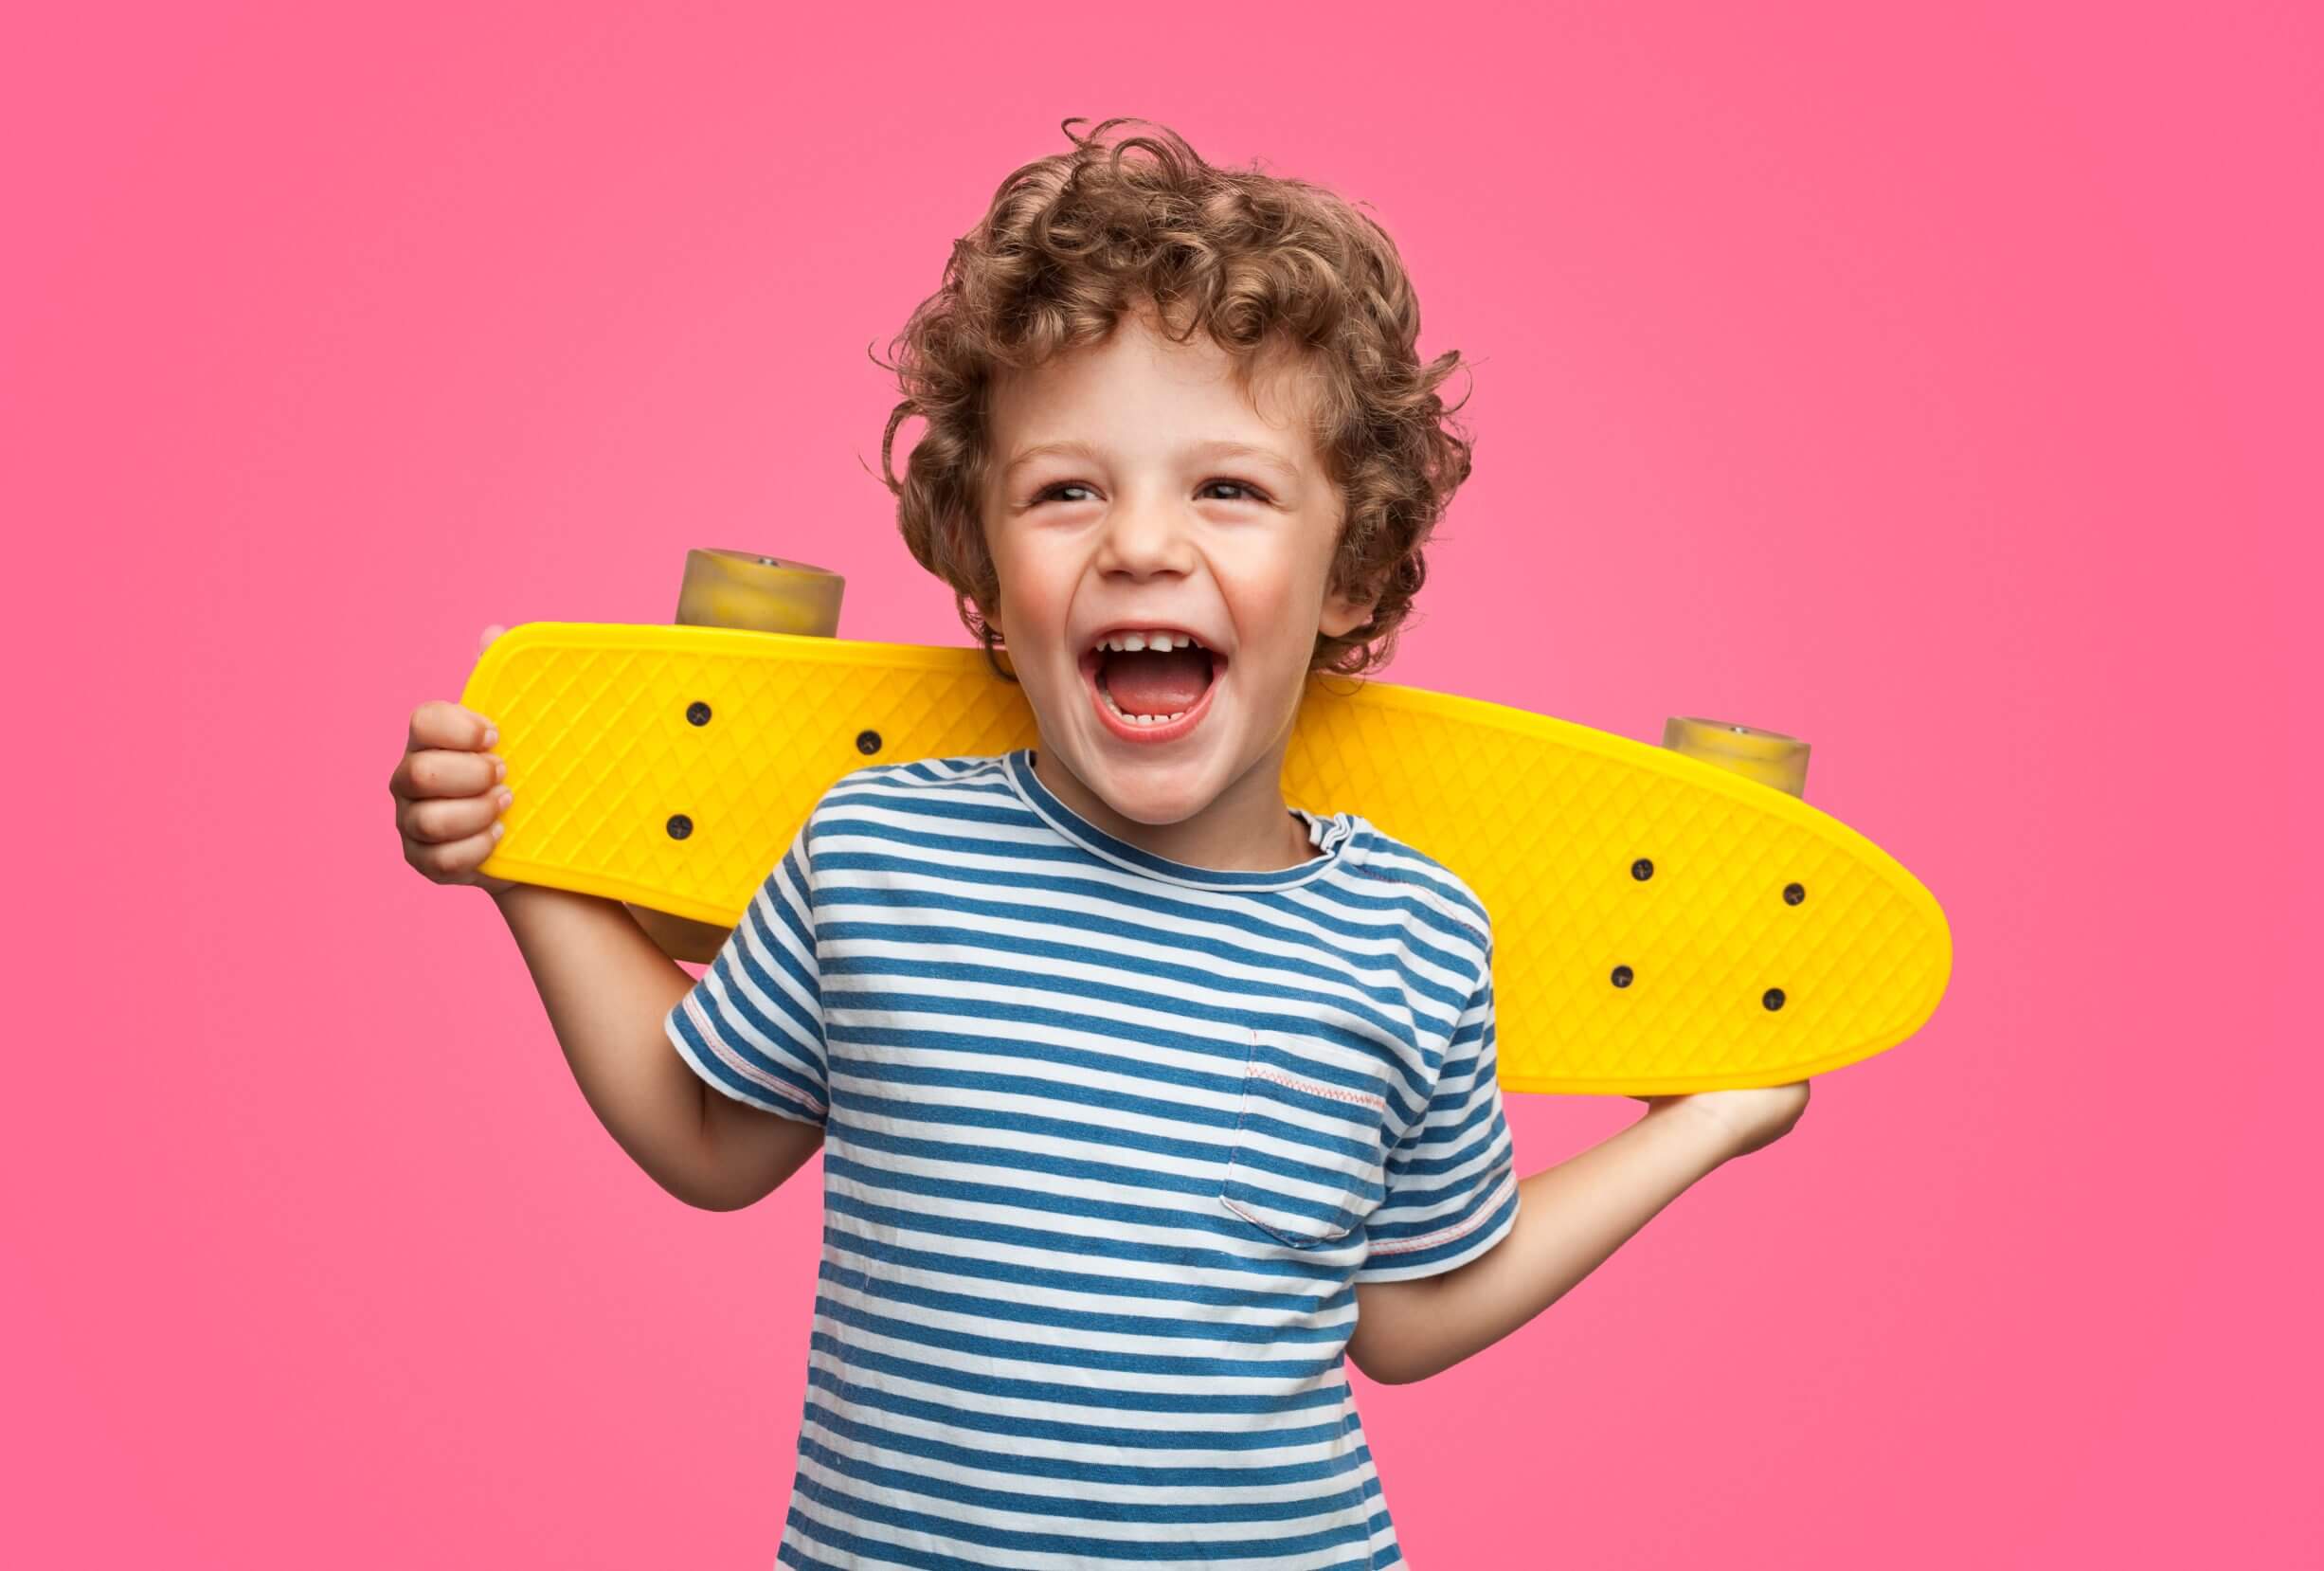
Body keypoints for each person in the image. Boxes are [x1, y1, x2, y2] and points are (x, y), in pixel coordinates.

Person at [389, 117, 1809, 1570]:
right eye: (1067, 489)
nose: (1139, 543)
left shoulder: (1416, 932)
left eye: (1229, 489)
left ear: (1355, 568)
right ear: (985, 572)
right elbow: (708, 1137)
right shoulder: (881, 853)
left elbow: (1406, 1312)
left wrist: (1699, 1125)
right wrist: (524, 858)